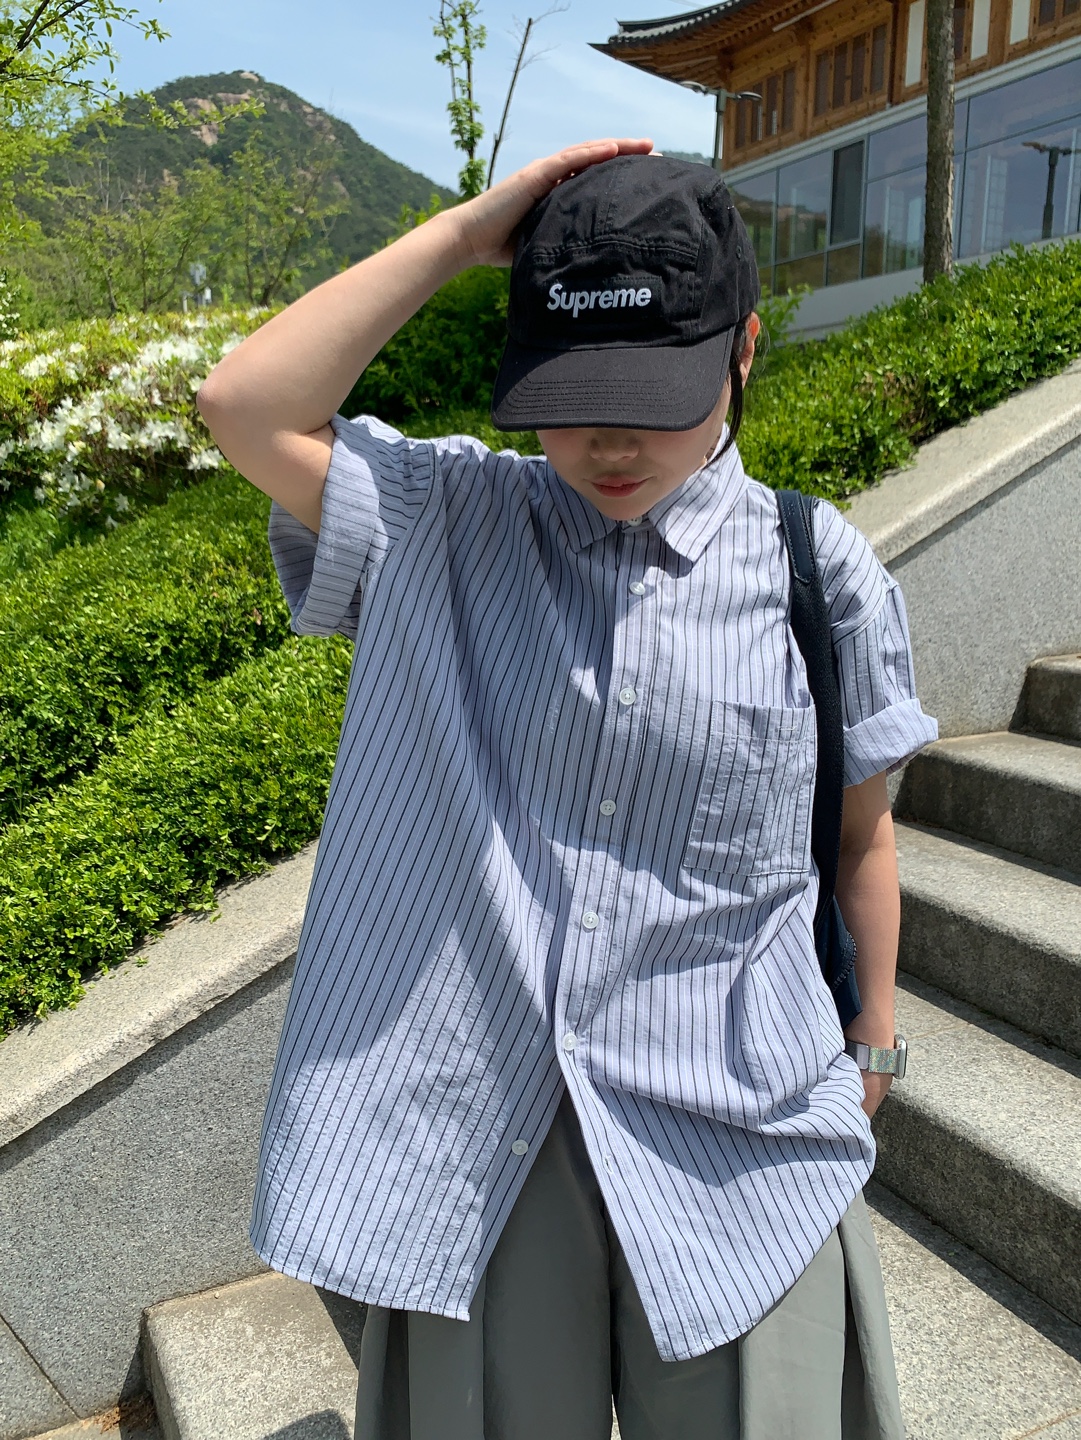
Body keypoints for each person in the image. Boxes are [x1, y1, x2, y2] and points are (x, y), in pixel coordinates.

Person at [197, 138, 938, 1440]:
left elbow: (858, 839)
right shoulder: (446, 522)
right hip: (487, 1135)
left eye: (656, 394)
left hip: (742, 1124)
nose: (609, 441)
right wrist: (463, 237)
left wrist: (871, 1044)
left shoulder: (819, 574)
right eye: (572, 391)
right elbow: (243, 406)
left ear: (743, 352)